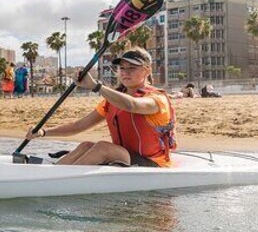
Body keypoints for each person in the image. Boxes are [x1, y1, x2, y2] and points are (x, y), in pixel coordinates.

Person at [24, 47, 176, 167]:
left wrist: (96, 86)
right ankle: (55, 174)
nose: (125, 73)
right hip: (125, 157)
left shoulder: (157, 99)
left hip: (153, 162)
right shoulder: (111, 101)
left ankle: (59, 181)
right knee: (86, 145)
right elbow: (78, 126)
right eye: (122, 68)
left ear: (147, 71)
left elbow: (132, 105)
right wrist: (43, 132)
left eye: (132, 68)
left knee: (103, 147)